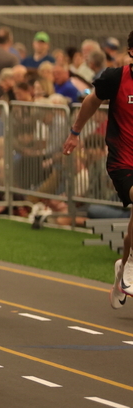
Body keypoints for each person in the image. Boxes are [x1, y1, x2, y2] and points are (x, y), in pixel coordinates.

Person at [64, 30, 133, 310]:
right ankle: (131, 267)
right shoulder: (115, 78)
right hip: (123, 161)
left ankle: (124, 266)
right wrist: (75, 132)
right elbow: (91, 101)